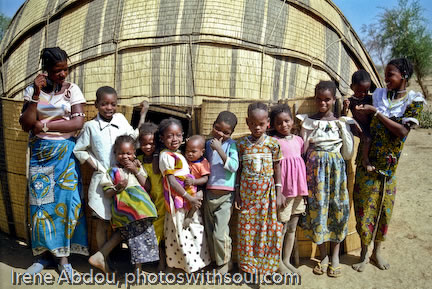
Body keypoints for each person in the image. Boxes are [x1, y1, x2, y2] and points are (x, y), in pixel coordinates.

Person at [19, 47, 88, 278]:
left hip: (65, 155)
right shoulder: (32, 90)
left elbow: (78, 122)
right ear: (46, 70)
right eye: (58, 70)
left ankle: (63, 257)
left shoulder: (72, 91)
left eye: (66, 69)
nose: (63, 74)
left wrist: (46, 124)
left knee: (67, 203)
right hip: (41, 154)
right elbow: (27, 123)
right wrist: (37, 95)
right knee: (41, 205)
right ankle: (43, 256)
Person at [352, 58, 425, 272]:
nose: (386, 79)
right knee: (364, 207)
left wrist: (377, 113)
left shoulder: (414, 101)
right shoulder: (378, 95)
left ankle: (377, 252)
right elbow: (360, 106)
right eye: (386, 75)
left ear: (404, 76)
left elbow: (402, 132)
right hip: (367, 161)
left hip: (389, 167)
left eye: (390, 74)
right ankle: (364, 253)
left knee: (384, 209)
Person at [73, 86, 147, 272]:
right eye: (104, 104)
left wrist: (143, 114)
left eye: (113, 104)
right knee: (102, 220)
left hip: (125, 178)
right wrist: (97, 166)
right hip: (102, 181)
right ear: (97, 104)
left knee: (126, 218)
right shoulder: (90, 127)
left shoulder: (121, 120)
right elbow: (79, 150)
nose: (109, 107)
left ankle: (104, 255)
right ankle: (104, 263)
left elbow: (132, 137)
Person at [298, 80, 354, 277]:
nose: (323, 103)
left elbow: (347, 153)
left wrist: (345, 123)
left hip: (336, 173)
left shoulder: (340, 122)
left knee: (338, 209)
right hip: (314, 174)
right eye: (319, 99)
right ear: (315, 99)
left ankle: (336, 255)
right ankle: (323, 256)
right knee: (318, 210)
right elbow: (303, 151)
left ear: (334, 100)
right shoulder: (308, 122)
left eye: (327, 100)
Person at [235, 102, 284, 275]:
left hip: (267, 197)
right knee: (246, 232)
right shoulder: (240, 145)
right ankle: (248, 268)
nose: (257, 127)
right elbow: (238, 170)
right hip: (247, 197)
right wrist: (237, 194)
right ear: (247, 122)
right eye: (253, 124)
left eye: (261, 124)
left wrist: (279, 193)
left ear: (268, 122)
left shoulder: (273, 144)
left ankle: (266, 268)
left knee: (267, 230)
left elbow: (277, 169)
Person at [98, 135, 158, 272]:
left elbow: (147, 186)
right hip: (126, 210)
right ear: (115, 153)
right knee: (134, 240)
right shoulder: (112, 171)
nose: (124, 157)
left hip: (141, 210)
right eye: (121, 153)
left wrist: (135, 170)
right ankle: (137, 270)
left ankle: (139, 269)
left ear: (134, 154)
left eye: (128, 153)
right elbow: (107, 192)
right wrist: (117, 188)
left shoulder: (137, 166)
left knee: (141, 238)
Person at [158, 118, 211, 273]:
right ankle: (176, 266)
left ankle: (195, 265)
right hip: (177, 202)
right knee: (178, 234)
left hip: (189, 200)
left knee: (194, 232)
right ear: (162, 138)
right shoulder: (166, 156)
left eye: (178, 135)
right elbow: (171, 181)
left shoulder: (180, 153)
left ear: (183, 136)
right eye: (169, 136)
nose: (174, 139)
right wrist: (190, 198)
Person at [269, 104, 308, 274]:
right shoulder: (274, 143)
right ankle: (278, 262)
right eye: (279, 123)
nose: (284, 125)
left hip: (298, 191)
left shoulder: (299, 141)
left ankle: (286, 260)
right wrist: (279, 193)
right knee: (281, 228)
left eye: (287, 121)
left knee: (292, 227)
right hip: (284, 193)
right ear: (272, 125)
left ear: (292, 121)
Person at [204, 111, 239, 274]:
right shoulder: (205, 144)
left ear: (231, 133)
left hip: (226, 196)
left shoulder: (231, 145)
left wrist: (219, 150)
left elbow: (233, 166)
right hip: (209, 194)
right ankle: (217, 261)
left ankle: (226, 262)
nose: (221, 134)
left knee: (220, 233)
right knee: (210, 232)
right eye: (218, 129)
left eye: (226, 132)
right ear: (213, 126)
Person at [136, 122, 166, 271]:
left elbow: (156, 170)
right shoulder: (139, 159)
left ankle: (161, 264)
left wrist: (156, 153)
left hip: (161, 201)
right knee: (149, 231)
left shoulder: (160, 157)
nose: (148, 147)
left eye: (152, 144)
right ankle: (145, 263)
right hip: (146, 201)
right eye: (144, 144)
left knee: (159, 233)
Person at [342, 70, 375, 172]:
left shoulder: (370, 99)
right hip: (357, 126)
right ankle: (365, 160)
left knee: (368, 140)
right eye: (359, 91)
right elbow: (343, 115)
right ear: (352, 87)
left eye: (366, 91)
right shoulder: (351, 100)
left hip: (368, 127)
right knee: (367, 139)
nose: (363, 94)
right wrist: (345, 107)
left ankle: (364, 158)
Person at [183, 135, 210, 228]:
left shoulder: (203, 163)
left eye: (193, 152)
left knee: (198, 196)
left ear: (202, 152)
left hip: (198, 186)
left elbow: (205, 179)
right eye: (187, 151)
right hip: (187, 186)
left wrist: (194, 181)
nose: (189, 154)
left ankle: (190, 215)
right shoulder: (186, 160)